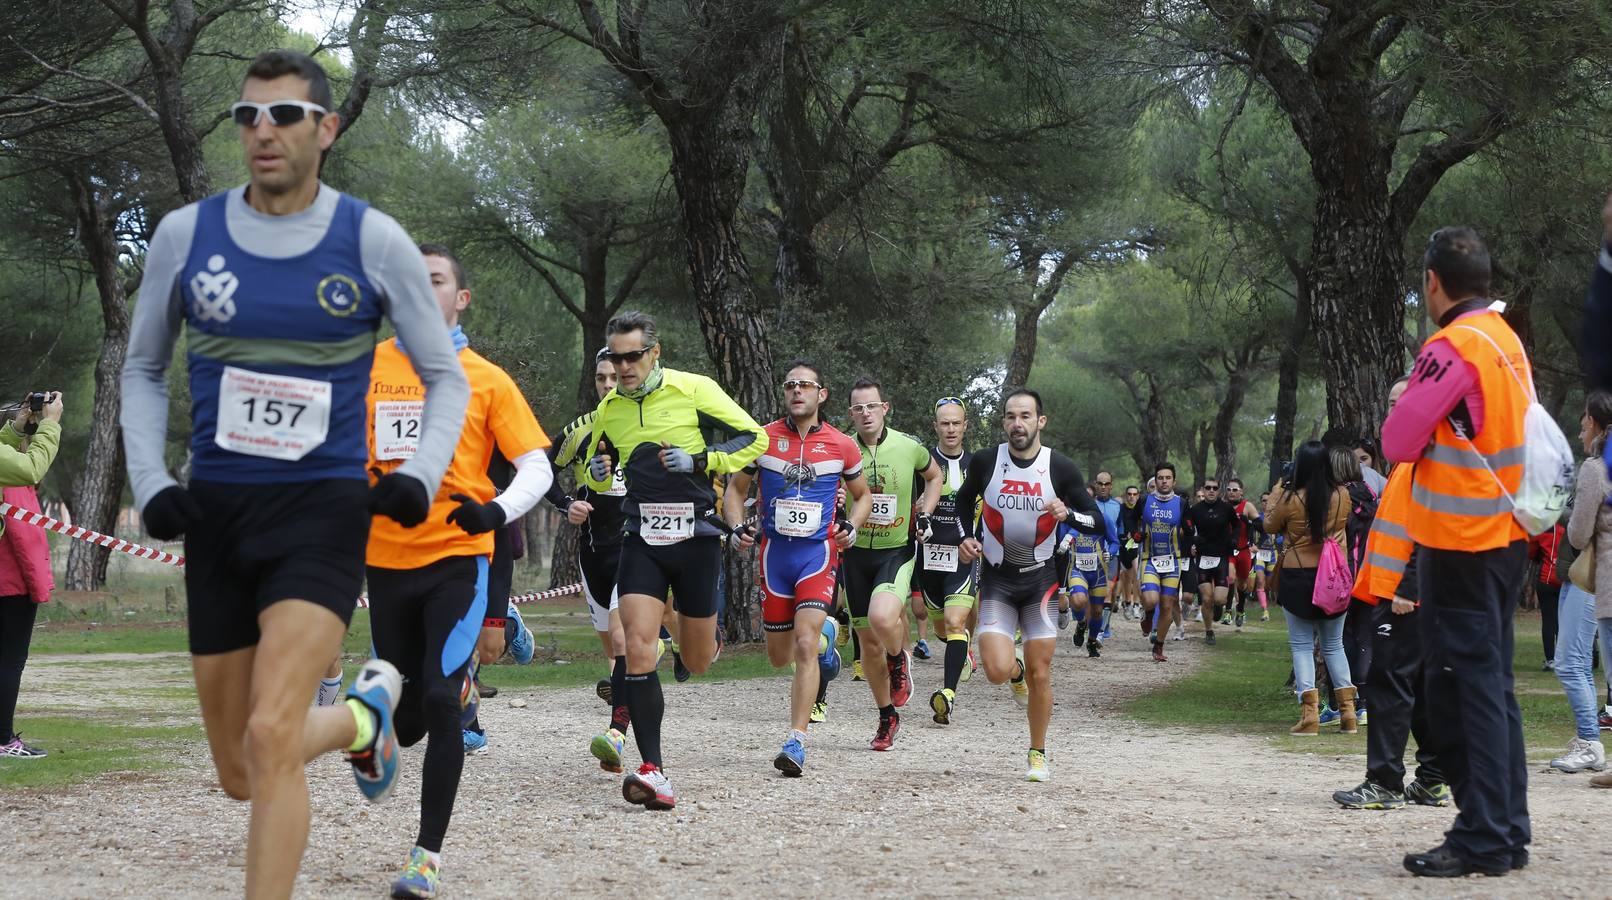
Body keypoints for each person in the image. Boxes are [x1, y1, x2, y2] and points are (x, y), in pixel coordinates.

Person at [119, 50, 471, 899]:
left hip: (322, 513)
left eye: (282, 116)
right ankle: (362, 716)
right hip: (218, 515)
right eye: (247, 117)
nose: (263, 132)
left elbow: (445, 375)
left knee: (274, 734)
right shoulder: (185, 235)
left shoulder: (371, 240)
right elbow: (142, 371)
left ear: (326, 128)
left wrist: (421, 475)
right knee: (241, 768)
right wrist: (152, 481)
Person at [362, 243, 551, 897]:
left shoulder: (486, 378)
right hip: (384, 563)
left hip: (457, 559)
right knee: (407, 718)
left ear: (459, 298)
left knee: (440, 702)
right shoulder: (365, 368)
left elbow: (536, 466)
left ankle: (425, 857)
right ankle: (431, 694)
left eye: (434, 280)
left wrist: (495, 512)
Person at [1382, 226, 1532, 877]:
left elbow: (1398, 438)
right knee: (1492, 690)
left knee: (1458, 695)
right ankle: (1506, 828)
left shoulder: (1454, 344)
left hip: (1461, 546)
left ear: (1433, 284)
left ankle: (1483, 838)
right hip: (1503, 542)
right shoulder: (1506, 339)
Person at [580, 310, 766, 810]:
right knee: (636, 647)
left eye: (632, 356)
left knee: (697, 661)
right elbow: (604, 471)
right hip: (641, 537)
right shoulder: (610, 409)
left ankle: (706, 636)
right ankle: (653, 769)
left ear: (654, 352)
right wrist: (601, 470)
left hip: (695, 539)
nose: (622, 367)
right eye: (615, 358)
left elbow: (756, 438)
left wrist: (701, 460)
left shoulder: (693, 389)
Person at [724, 360, 869, 775]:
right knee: (778, 655)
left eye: (806, 385)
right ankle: (827, 646)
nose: (797, 391)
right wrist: (736, 527)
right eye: (790, 385)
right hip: (775, 557)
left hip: (818, 556)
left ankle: (796, 740)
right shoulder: (762, 439)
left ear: (821, 395)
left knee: (803, 645)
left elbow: (862, 497)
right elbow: (735, 491)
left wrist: (852, 528)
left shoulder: (842, 444)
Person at [955, 388, 1103, 782]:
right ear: (1003, 422)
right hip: (998, 582)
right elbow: (960, 503)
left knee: (1042, 672)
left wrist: (1068, 513)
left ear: (1040, 421)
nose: (1017, 424)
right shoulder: (987, 462)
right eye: (1010, 416)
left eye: (1025, 416)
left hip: (1041, 583)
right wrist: (964, 538)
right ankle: (1012, 671)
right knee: (996, 671)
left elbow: (1098, 522)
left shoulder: (1061, 468)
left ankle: (1037, 752)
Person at [1334, 376, 1452, 811]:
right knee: (1416, 686)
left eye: (1404, 401)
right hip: (1396, 591)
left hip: (1407, 594)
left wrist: (1409, 586)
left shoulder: (1430, 455)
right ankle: (1434, 778)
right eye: (1391, 402)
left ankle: (1384, 782)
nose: (1395, 408)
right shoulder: (1409, 456)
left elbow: (1434, 529)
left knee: (1388, 685)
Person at [543, 351, 637, 773]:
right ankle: (626, 705)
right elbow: (539, 468)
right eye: (601, 378)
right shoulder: (580, 430)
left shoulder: (645, 427)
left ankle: (617, 732)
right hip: (593, 551)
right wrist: (566, 505)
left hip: (634, 547)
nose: (608, 385)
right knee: (613, 653)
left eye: (615, 378)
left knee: (621, 641)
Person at [841, 378, 942, 750]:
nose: (865, 414)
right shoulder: (842, 447)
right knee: (867, 645)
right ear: (850, 413)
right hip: (853, 553)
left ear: (885, 408)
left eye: (871, 406)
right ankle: (887, 718)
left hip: (895, 550)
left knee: (884, 618)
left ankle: (900, 659)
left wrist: (925, 512)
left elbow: (935, 477)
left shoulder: (909, 446)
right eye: (858, 408)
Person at [1264, 440, 1352, 737]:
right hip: (1334, 578)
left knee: (1302, 646)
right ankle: (1349, 714)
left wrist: (1277, 492)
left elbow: (1270, 526)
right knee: (1334, 645)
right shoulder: (1342, 494)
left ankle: (1309, 716)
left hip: (1298, 575)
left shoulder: (1289, 498)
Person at [0, 392, 63, 759]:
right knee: (9, 659)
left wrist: (16, 428)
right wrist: (50, 425)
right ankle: (4, 739)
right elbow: (29, 468)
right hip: (7, 577)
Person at [1557, 390, 1612, 778]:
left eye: (1582, 427)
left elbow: (1578, 535)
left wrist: (1557, 510)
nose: (1580, 435)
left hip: (1598, 577)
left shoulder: (1595, 468)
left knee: (1573, 661)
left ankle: (1590, 741)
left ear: (1595, 423)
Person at [922, 397, 981, 725]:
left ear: (965, 426)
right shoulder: (923, 462)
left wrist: (979, 543)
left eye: (956, 423)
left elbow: (989, 513)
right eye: (944, 423)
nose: (950, 429)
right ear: (936, 427)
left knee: (956, 622)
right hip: (928, 559)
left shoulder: (978, 465)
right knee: (943, 629)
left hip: (963, 558)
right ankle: (960, 651)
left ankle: (947, 694)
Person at [1137, 463, 1190, 661]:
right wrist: (1136, 534)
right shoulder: (1145, 500)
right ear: (1155, 480)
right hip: (1149, 558)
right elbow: (1131, 519)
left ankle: (1158, 646)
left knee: (1168, 606)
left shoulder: (1181, 503)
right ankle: (1149, 614)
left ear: (1174, 481)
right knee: (1151, 599)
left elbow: (1189, 528)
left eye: (1168, 478)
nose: (1164, 481)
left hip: (1172, 561)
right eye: (1160, 478)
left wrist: (1192, 542)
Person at [1184, 478, 1242, 645]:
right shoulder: (1196, 510)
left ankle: (1219, 608)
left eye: (1214, 488)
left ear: (1219, 491)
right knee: (1207, 598)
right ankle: (1209, 631)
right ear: (1204, 489)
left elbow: (1237, 525)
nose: (1211, 491)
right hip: (1203, 558)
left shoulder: (1226, 509)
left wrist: (1234, 539)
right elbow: (1186, 527)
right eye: (1208, 488)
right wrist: (1193, 539)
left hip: (1221, 557)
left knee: (1219, 599)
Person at [1529, 523, 1564, 672]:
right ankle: (1567, 659)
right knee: (1566, 622)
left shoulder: (1543, 527)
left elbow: (1531, 553)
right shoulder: (1570, 527)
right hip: (1568, 581)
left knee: (1549, 621)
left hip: (1547, 580)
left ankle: (1551, 660)